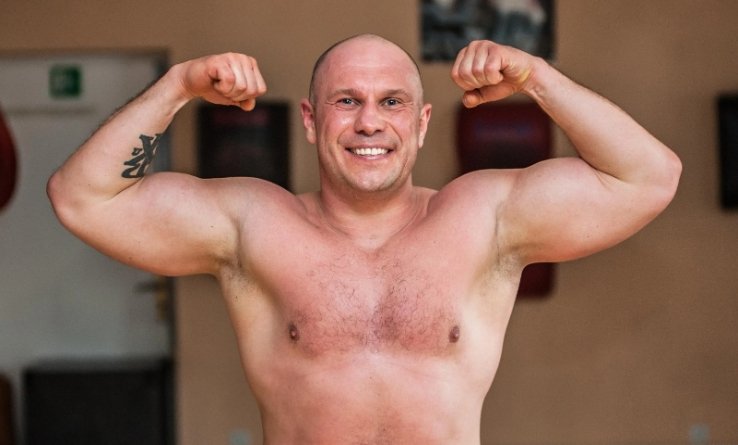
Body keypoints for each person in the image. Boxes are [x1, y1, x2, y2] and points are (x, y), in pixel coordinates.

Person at [47, 34, 681, 444]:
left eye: (392, 102)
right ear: (310, 119)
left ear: (422, 123)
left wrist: (538, 78)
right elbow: (81, 198)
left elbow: (650, 177)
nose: (369, 122)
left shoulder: (483, 218)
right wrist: (178, 86)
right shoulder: (253, 223)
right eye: (346, 101)